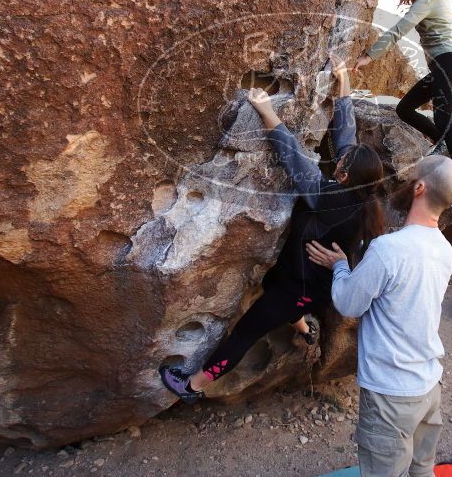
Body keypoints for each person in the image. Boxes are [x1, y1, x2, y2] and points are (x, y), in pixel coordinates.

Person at [160, 55, 386, 403]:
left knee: (248, 329)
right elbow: (347, 137)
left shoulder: (329, 198)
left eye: (341, 162)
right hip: (302, 276)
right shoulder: (358, 191)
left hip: (303, 286)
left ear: (342, 175)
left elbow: (293, 157)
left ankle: (192, 387)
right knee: (271, 283)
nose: (340, 157)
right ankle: (302, 325)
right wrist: (343, 83)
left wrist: (266, 110)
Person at [307, 154, 452, 477]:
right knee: (423, 471)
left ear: (419, 188)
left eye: (412, 178)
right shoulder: (444, 250)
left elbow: (349, 304)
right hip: (428, 385)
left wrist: (339, 267)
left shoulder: (388, 250)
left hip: (391, 394)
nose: (405, 182)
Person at [353, 0, 452, 173]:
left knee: (442, 116)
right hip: (444, 64)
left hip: (448, 61)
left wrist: (369, 55)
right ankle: (443, 143)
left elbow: (399, 29)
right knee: (405, 109)